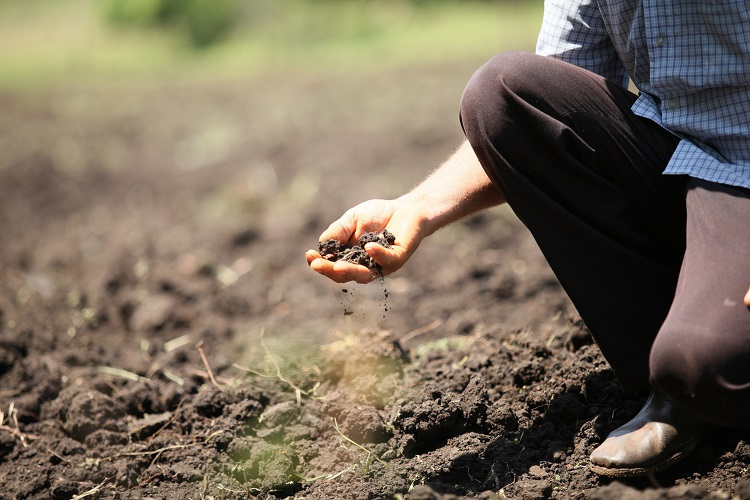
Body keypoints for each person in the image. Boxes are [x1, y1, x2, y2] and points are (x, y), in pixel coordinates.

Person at [306, 0, 750, 478]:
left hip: (743, 172)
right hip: (670, 158)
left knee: (705, 365)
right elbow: (548, 112)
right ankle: (675, 360)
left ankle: (693, 365)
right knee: (503, 92)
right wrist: (417, 207)